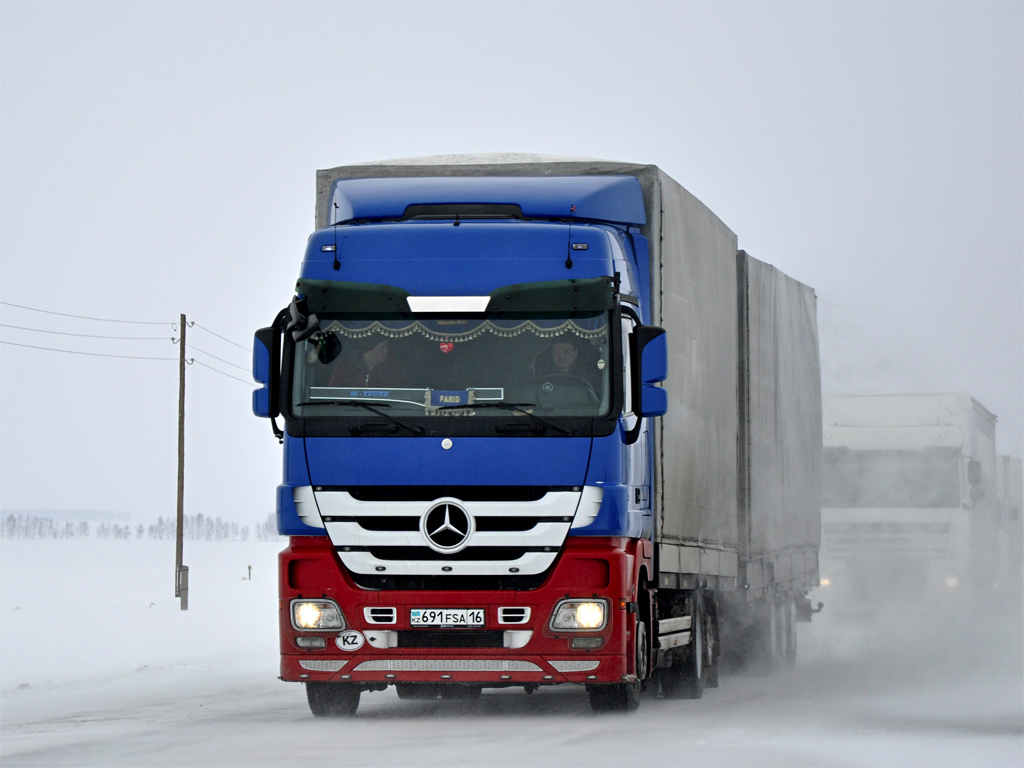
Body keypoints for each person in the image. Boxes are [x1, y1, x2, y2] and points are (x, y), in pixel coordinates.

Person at [329, 338, 408, 388]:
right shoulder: (345, 367)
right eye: (382, 347)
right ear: (369, 349)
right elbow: (332, 393)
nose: (386, 351)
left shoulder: (393, 368)